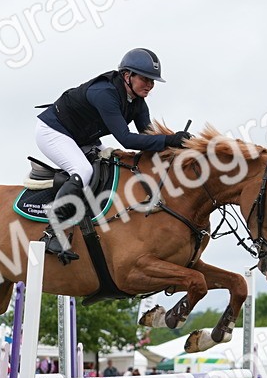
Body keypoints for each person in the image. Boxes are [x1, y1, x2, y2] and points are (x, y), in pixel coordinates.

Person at [34, 48, 192, 261]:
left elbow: (148, 139)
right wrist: (168, 139)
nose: (150, 85)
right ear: (127, 75)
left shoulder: (137, 103)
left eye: (153, 80)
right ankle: (52, 232)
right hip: (53, 131)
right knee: (83, 170)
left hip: (82, 138)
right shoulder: (104, 94)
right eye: (145, 78)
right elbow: (126, 139)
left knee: (116, 165)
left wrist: (177, 145)